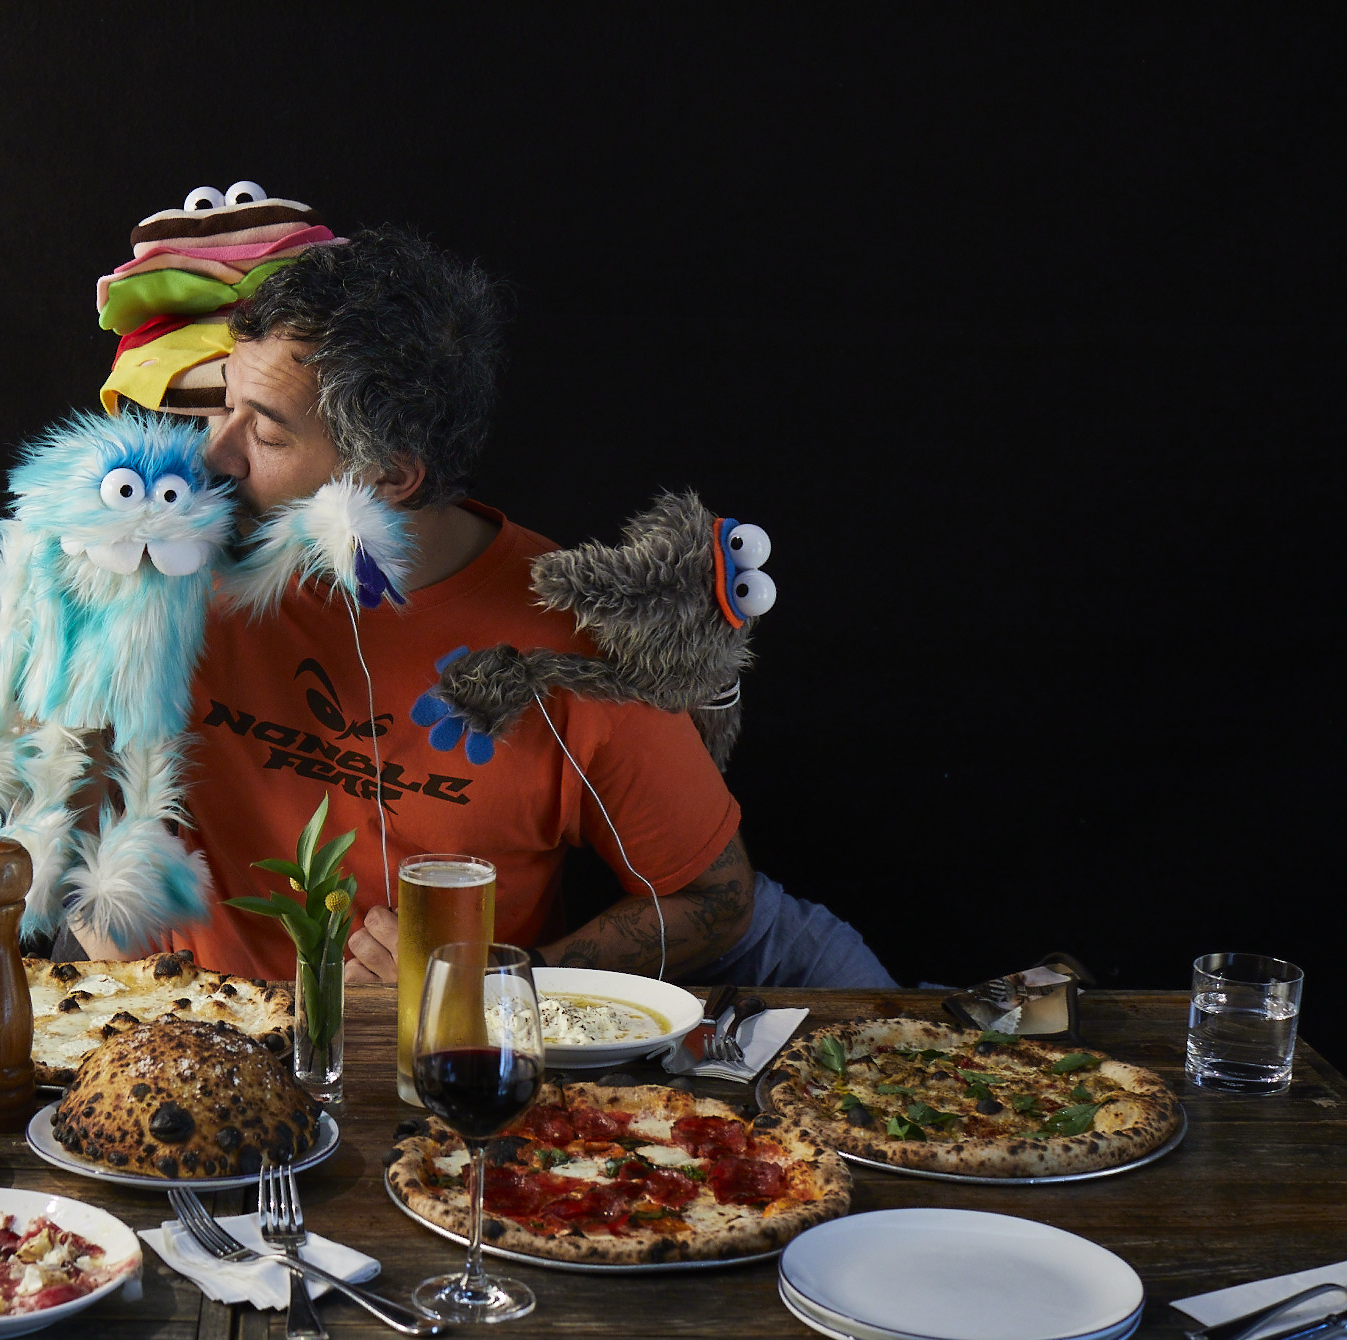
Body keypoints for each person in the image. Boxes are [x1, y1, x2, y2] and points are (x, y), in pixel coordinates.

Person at [129, 226, 895, 989]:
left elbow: (717, 899)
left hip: (439, 1055)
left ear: (390, 475)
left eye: (266, 432)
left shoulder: (572, 646)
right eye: (223, 405)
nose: (215, 454)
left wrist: (492, 981)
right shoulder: (168, 558)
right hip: (168, 1026)